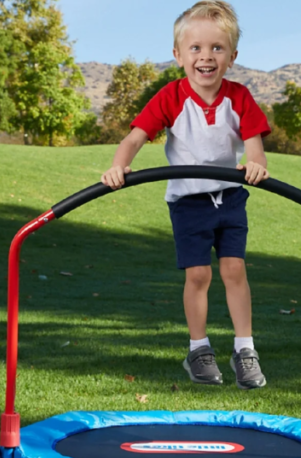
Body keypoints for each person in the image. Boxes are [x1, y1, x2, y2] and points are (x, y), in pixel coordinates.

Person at [100, 0, 270, 389]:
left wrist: (256, 163)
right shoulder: (171, 98)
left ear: (232, 56)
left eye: (216, 48)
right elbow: (135, 138)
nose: (206, 57)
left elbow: (253, 143)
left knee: (234, 269)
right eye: (195, 48)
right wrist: (117, 166)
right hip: (189, 200)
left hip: (229, 196)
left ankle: (245, 350)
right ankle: (199, 349)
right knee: (198, 274)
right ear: (178, 55)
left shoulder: (238, 97)